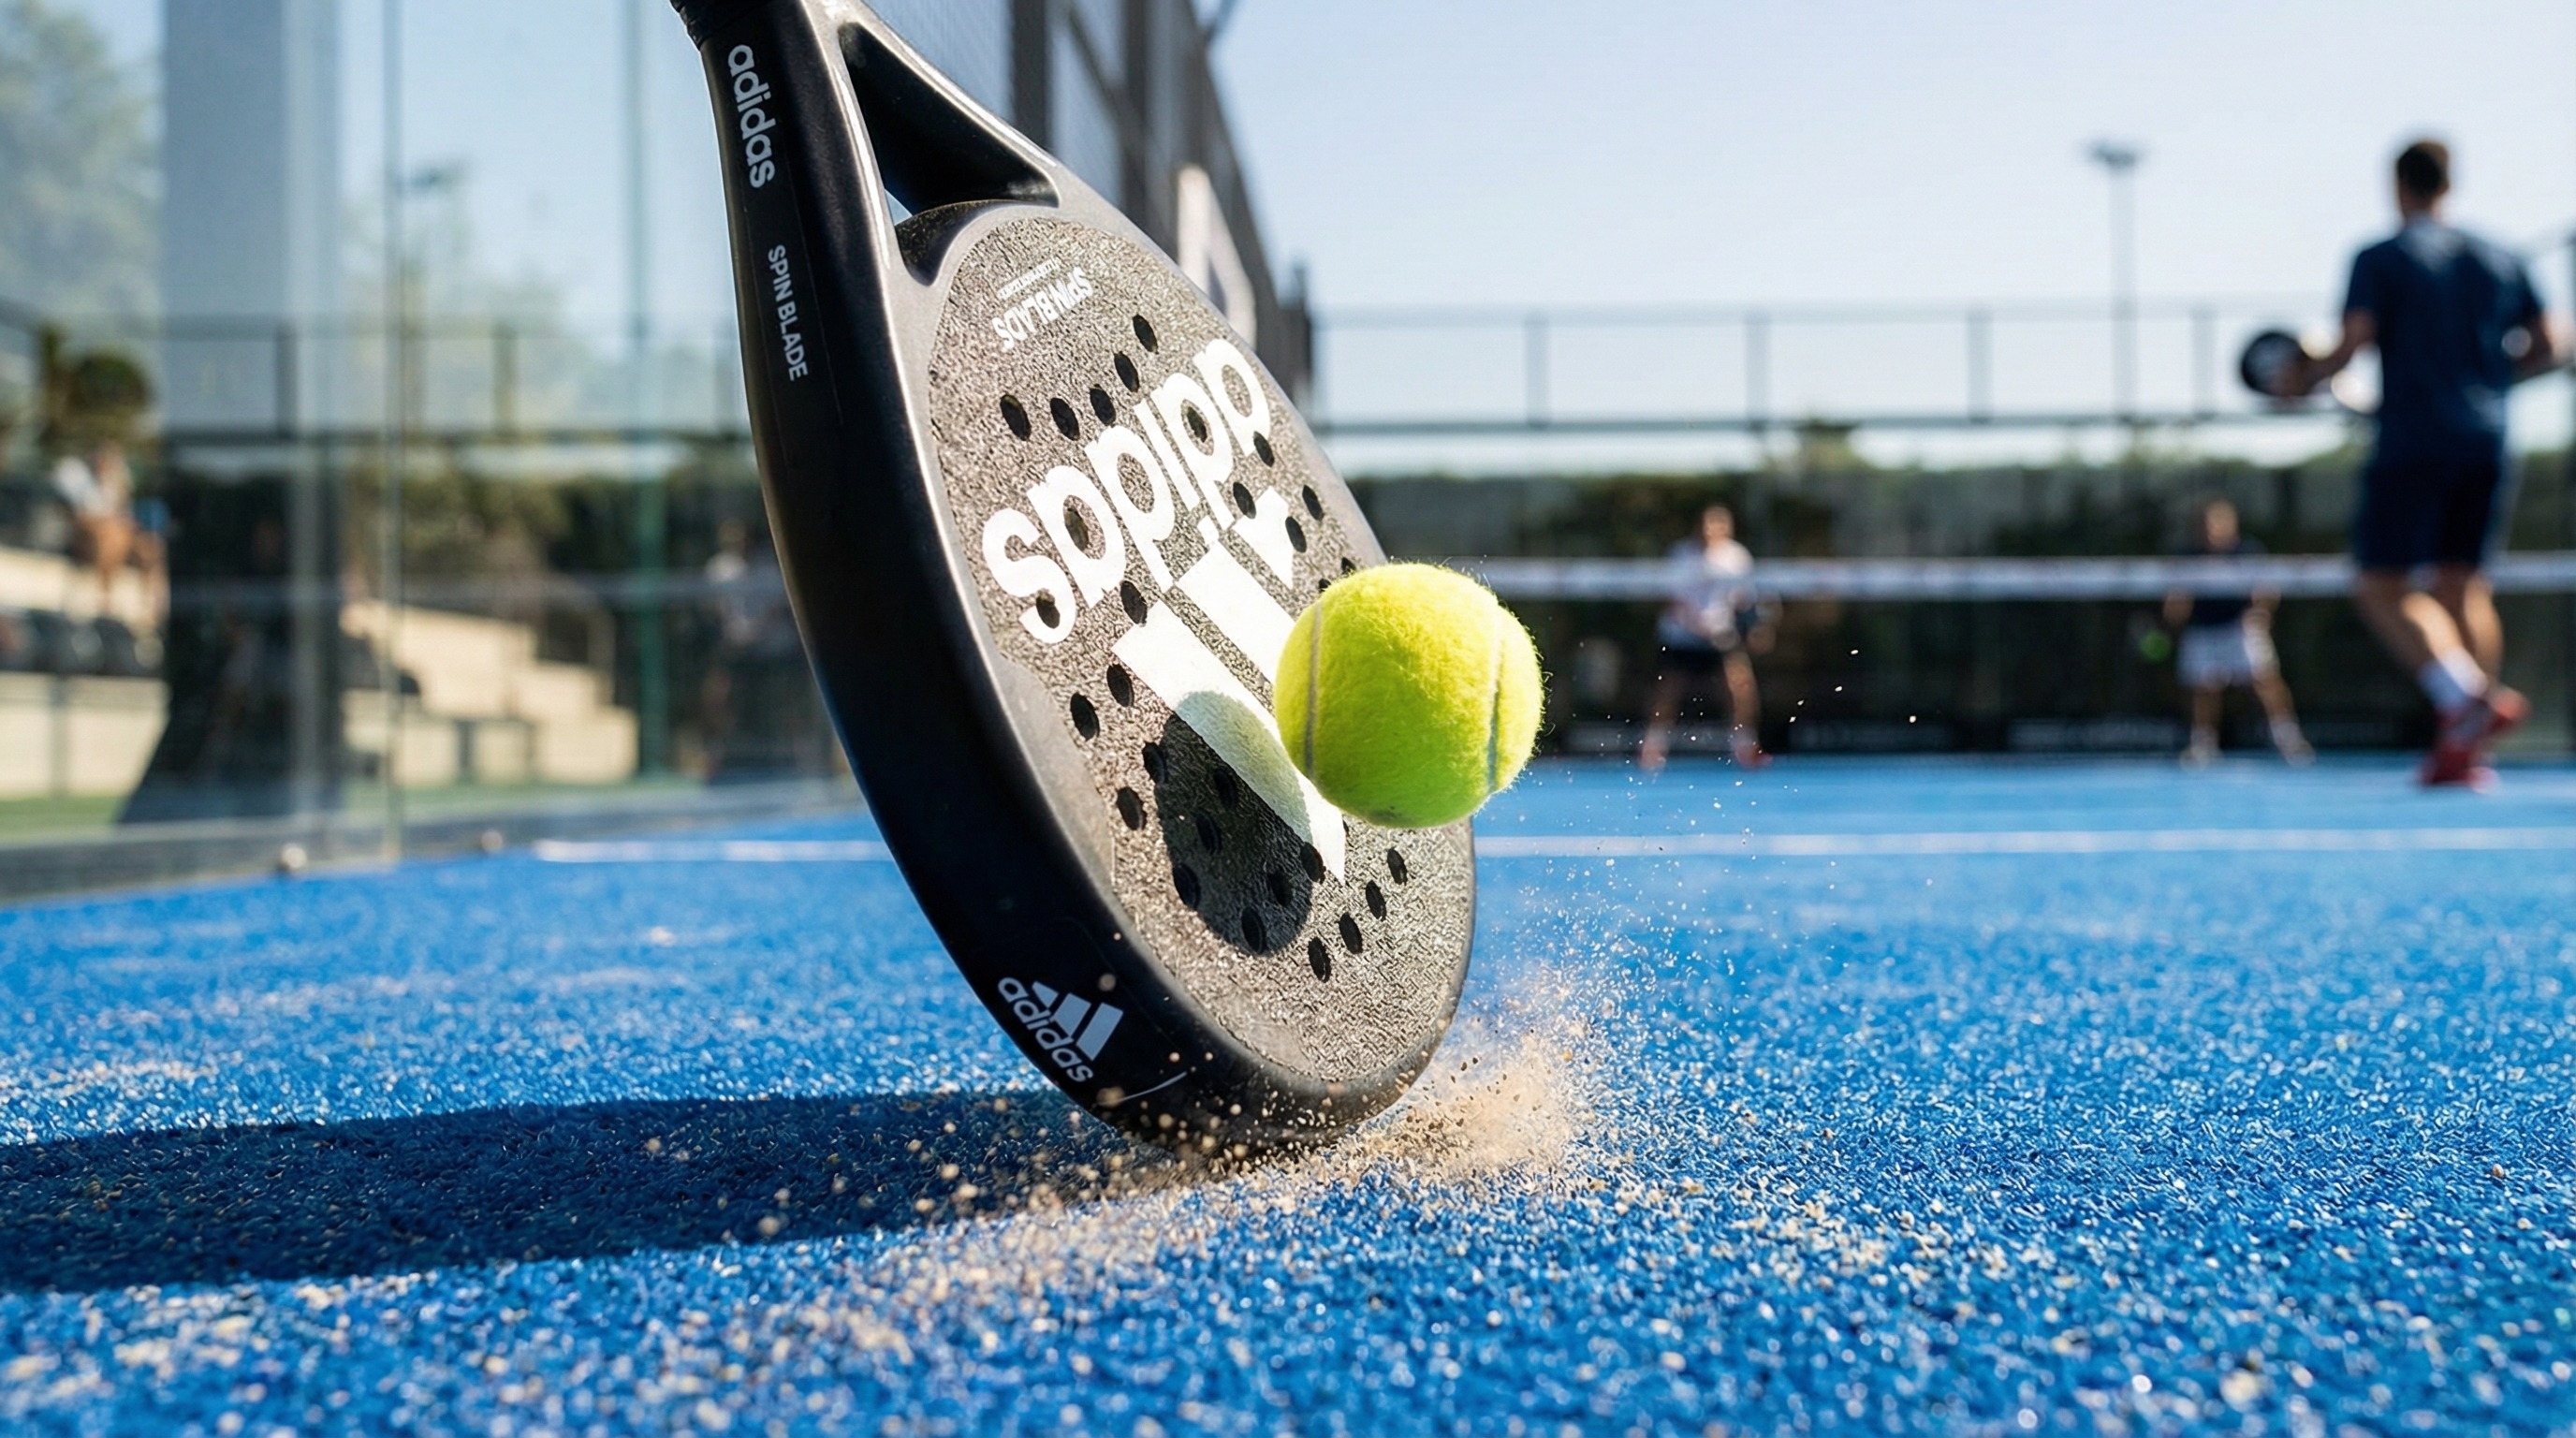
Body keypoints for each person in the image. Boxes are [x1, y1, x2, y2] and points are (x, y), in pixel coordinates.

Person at [2275, 139, 2559, 787]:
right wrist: (2487, 382)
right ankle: (2467, 750)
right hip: (2487, 437)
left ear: (2398, 185)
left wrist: (2303, 380)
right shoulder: (2502, 255)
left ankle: (2464, 701)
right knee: (2463, 586)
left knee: (2380, 585)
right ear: (2450, 182)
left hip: (2413, 440)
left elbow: (2352, 343)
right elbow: (2551, 343)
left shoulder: (2381, 258)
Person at [2162, 497, 2311, 768]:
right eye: (2208, 524)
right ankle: (2202, 744)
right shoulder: (2189, 556)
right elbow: (2177, 597)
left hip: (2239, 628)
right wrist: (2174, 614)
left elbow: (2265, 589)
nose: (2213, 530)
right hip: (2202, 630)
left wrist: (2260, 613)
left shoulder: (2248, 552)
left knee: (2264, 680)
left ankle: (2288, 738)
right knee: (2204, 687)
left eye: (2219, 523)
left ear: (2232, 525)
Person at [1639, 503, 1771, 773]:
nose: (1712, 529)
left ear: (1728, 528)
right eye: (1708, 524)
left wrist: (1754, 626)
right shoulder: (1681, 554)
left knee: (1740, 686)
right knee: (1667, 691)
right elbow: (1671, 599)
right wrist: (1696, 624)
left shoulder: (1737, 557)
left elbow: (1743, 599)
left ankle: (1745, 746)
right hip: (1681, 635)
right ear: (1698, 526)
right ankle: (1652, 748)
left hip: (1721, 636)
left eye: (1719, 524)